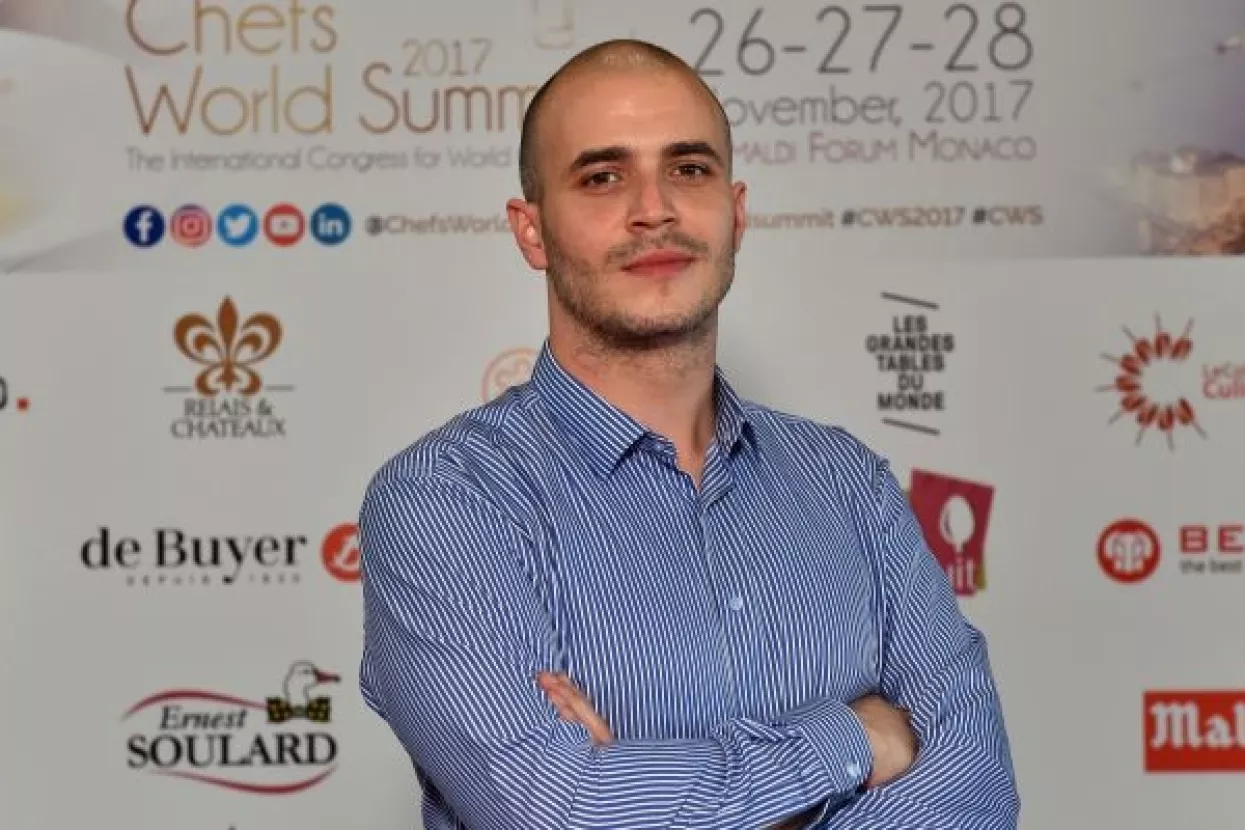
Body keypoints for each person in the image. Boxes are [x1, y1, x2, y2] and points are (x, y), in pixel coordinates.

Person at [357, 37, 1020, 830]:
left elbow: (976, 792)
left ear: (736, 213)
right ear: (531, 231)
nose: (654, 208)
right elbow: (555, 810)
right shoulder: (446, 502)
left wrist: (636, 790)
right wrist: (853, 739)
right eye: (602, 177)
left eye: (688, 169)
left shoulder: (847, 483)